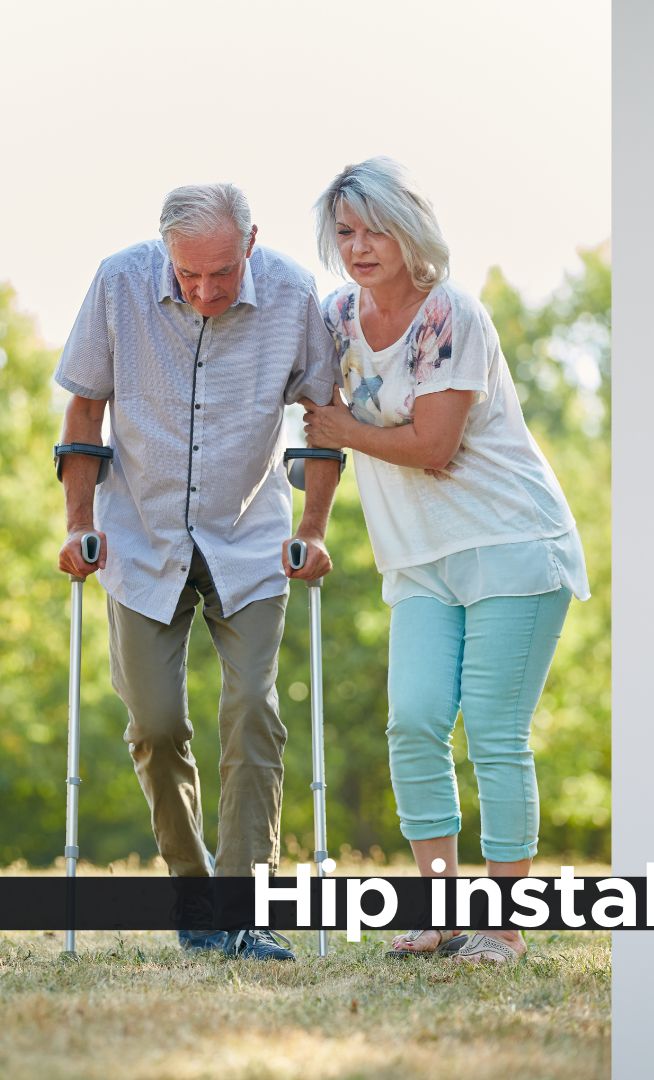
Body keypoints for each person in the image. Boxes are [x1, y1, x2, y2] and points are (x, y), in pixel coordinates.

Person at [301, 158, 589, 964]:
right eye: (345, 232)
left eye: (375, 228)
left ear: (410, 229)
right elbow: (316, 438)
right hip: (419, 558)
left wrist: (343, 429)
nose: (359, 246)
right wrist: (313, 525)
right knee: (415, 721)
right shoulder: (333, 321)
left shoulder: (450, 315)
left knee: (495, 732)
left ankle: (501, 925)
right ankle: (436, 915)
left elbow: (432, 445)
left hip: (510, 544)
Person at [54, 183, 341, 961]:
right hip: (140, 537)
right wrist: (79, 525)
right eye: (188, 277)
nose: (206, 291)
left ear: (251, 244)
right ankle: (195, 894)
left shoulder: (291, 294)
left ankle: (248, 909)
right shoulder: (119, 283)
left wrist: (313, 529)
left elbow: (322, 415)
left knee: (251, 709)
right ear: (165, 254)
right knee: (155, 727)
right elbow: (83, 413)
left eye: (221, 272)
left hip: (248, 537)